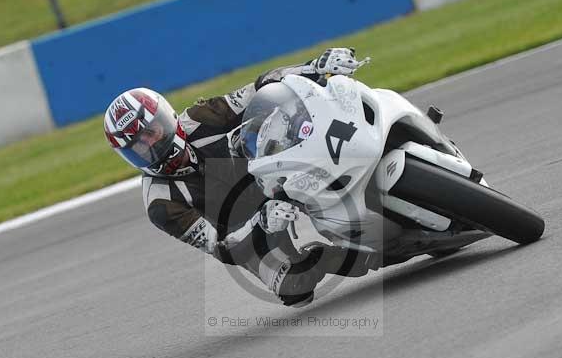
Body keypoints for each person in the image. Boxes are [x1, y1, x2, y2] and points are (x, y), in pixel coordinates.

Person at [104, 48, 371, 307]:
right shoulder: (160, 203)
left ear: (166, 117)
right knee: (294, 288)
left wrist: (314, 67)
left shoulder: (199, 118)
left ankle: (365, 174)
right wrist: (261, 221)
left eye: (152, 132)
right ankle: (341, 256)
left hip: (274, 174)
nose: (152, 145)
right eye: (139, 146)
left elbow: (260, 88)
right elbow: (220, 247)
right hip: (247, 229)